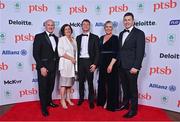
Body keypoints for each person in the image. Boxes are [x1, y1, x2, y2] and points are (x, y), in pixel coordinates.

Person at [118, 12, 145, 118]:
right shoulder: (121, 33)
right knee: (124, 88)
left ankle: (133, 110)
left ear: (133, 21)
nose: (127, 22)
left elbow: (140, 52)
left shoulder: (139, 33)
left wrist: (136, 66)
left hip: (132, 67)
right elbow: (121, 50)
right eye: (125, 20)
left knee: (133, 89)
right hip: (121, 66)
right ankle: (125, 105)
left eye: (129, 20)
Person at [33, 19, 59, 117]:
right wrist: (41, 67)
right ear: (45, 26)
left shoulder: (56, 38)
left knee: (51, 86)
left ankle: (49, 102)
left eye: (52, 25)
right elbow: (35, 53)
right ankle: (44, 108)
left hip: (53, 67)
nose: (51, 26)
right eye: (49, 25)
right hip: (43, 67)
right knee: (43, 88)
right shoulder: (39, 37)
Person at [76, 19, 99, 109]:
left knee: (90, 82)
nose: (85, 26)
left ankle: (91, 100)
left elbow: (97, 52)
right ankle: (81, 98)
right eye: (84, 24)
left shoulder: (95, 37)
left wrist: (95, 64)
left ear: (89, 26)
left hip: (90, 62)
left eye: (87, 24)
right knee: (81, 82)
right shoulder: (77, 37)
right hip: (80, 62)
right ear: (81, 26)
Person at [97, 21, 119, 111]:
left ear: (112, 28)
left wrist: (111, 65)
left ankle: (111, 103)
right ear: (104, 28)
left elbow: (117, 53)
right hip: (102, 63)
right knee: (102, 83)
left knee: (111, 84)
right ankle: (103, 100)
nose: (108, 28)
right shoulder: (101, 38)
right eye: (107, 27)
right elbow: (99, 51)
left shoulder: (115, 38)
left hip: (111, 63)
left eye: (110, 27)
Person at [58, 24, 77, 109]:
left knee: (69, 84)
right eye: (66, 29)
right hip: (65, 64)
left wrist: (74, 60)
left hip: (72, 65)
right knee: (63, 84)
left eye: (69, 29)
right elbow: (61, 52)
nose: (68, 30)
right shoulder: (61, 39)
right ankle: (62, 100)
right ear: (63, 31)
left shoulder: (74, 40)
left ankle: (68, 99)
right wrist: (71, 58)